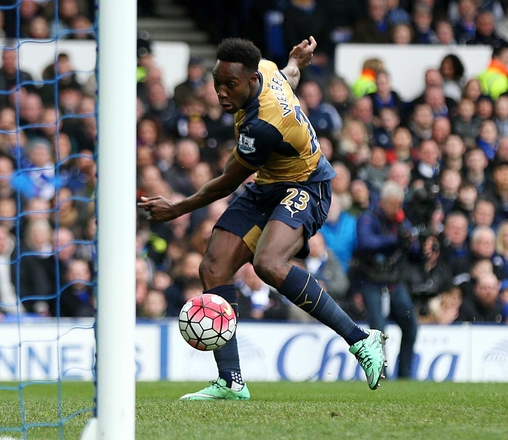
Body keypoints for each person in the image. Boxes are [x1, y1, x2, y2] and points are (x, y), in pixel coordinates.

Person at [139, 37, 387, 400]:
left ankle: (362, 340)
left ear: (251, 80)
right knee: (214, 267)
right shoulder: (267, 69)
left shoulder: (263, 126)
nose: (221, 92)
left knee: (268, 263)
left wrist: (177, 208)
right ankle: (231, 381)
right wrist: (295, 61)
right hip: (270, 183)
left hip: (307, 185)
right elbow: (286, 76)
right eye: (217, 82)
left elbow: (226, 182)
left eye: (230, 85)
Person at [354, 181, 419, 379]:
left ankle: (405, 375)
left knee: (410, 326)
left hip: (393, 283)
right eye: (394, 204)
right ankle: (380, 374)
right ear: (383, 202)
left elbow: (413, 250)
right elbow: (366, 243)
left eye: (399, 204)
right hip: (371, 282)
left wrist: (412, 242)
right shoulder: (368, 218)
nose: (397, 209)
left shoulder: (400, 221)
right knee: (378, 330)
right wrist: (395, 241)